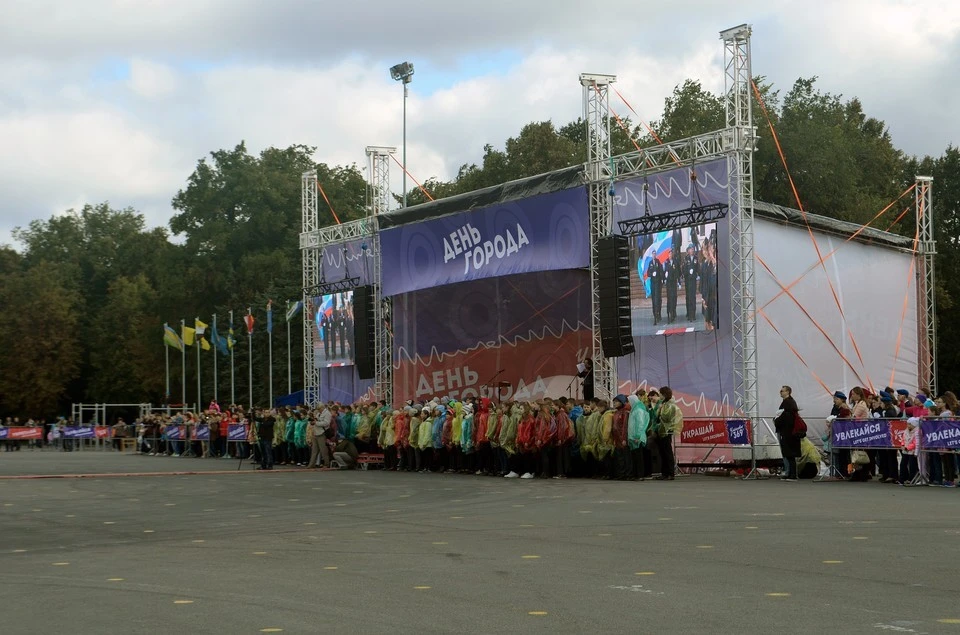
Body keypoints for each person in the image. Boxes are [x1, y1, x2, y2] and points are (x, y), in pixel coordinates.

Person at [773, 385, 801, 481]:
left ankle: (792, 474)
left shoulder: (789, 403)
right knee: (787, 453)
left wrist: (777, 420)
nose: (780, 392)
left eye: (782, 390)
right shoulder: (787, 402)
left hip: (788, 431)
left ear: (788, 392)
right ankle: (789, 472)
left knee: (790, 453)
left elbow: (786, 417)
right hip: (786, 431)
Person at [655, 386, 682, 480]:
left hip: (666, 431)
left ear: (664, 394)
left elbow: (667, 417)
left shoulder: (670, 405)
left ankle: (670, 473)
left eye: (660, 394)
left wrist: (661, 410)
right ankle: (664, 473)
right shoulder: (664, 403)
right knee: (662, 452)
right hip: (661, 430)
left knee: (667, 452)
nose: (659, 396)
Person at [682, 244, 699, 322]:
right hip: (688, 280)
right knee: (688, 297)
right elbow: (684, 269)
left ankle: (693, 314)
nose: (692, 250)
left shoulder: (696, 258)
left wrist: (696, 274)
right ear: (688, 250)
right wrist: (688, 272)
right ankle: (689, 314)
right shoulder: (686, 258)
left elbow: (698, 268)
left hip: (693, 281)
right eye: (690, 249)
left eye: (693, 249)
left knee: (693, 297)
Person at [646, 257, 664, 325]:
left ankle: (658, 314)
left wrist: (662, 278)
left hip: (658, 284)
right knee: (654, 300)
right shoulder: (650, 263)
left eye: (655, 254)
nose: (654, 255)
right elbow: (648, 273)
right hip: (653, 284)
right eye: (653, 254)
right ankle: (655, 315)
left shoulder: (658, 262)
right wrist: (651, 274)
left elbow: (661, 271)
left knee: (658, 300)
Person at [663, 254, 679, 323]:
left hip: (674, 282)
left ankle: (674, 311)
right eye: (669, 254)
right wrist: (665, 276)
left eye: (671, 254)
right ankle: (670, 313)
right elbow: (664, 270)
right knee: (669, 298)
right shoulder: (666, 262)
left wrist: (679, 282)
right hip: (669, 283)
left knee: (674, 297)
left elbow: (677, 271)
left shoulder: (675, 261)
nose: (670, 255)